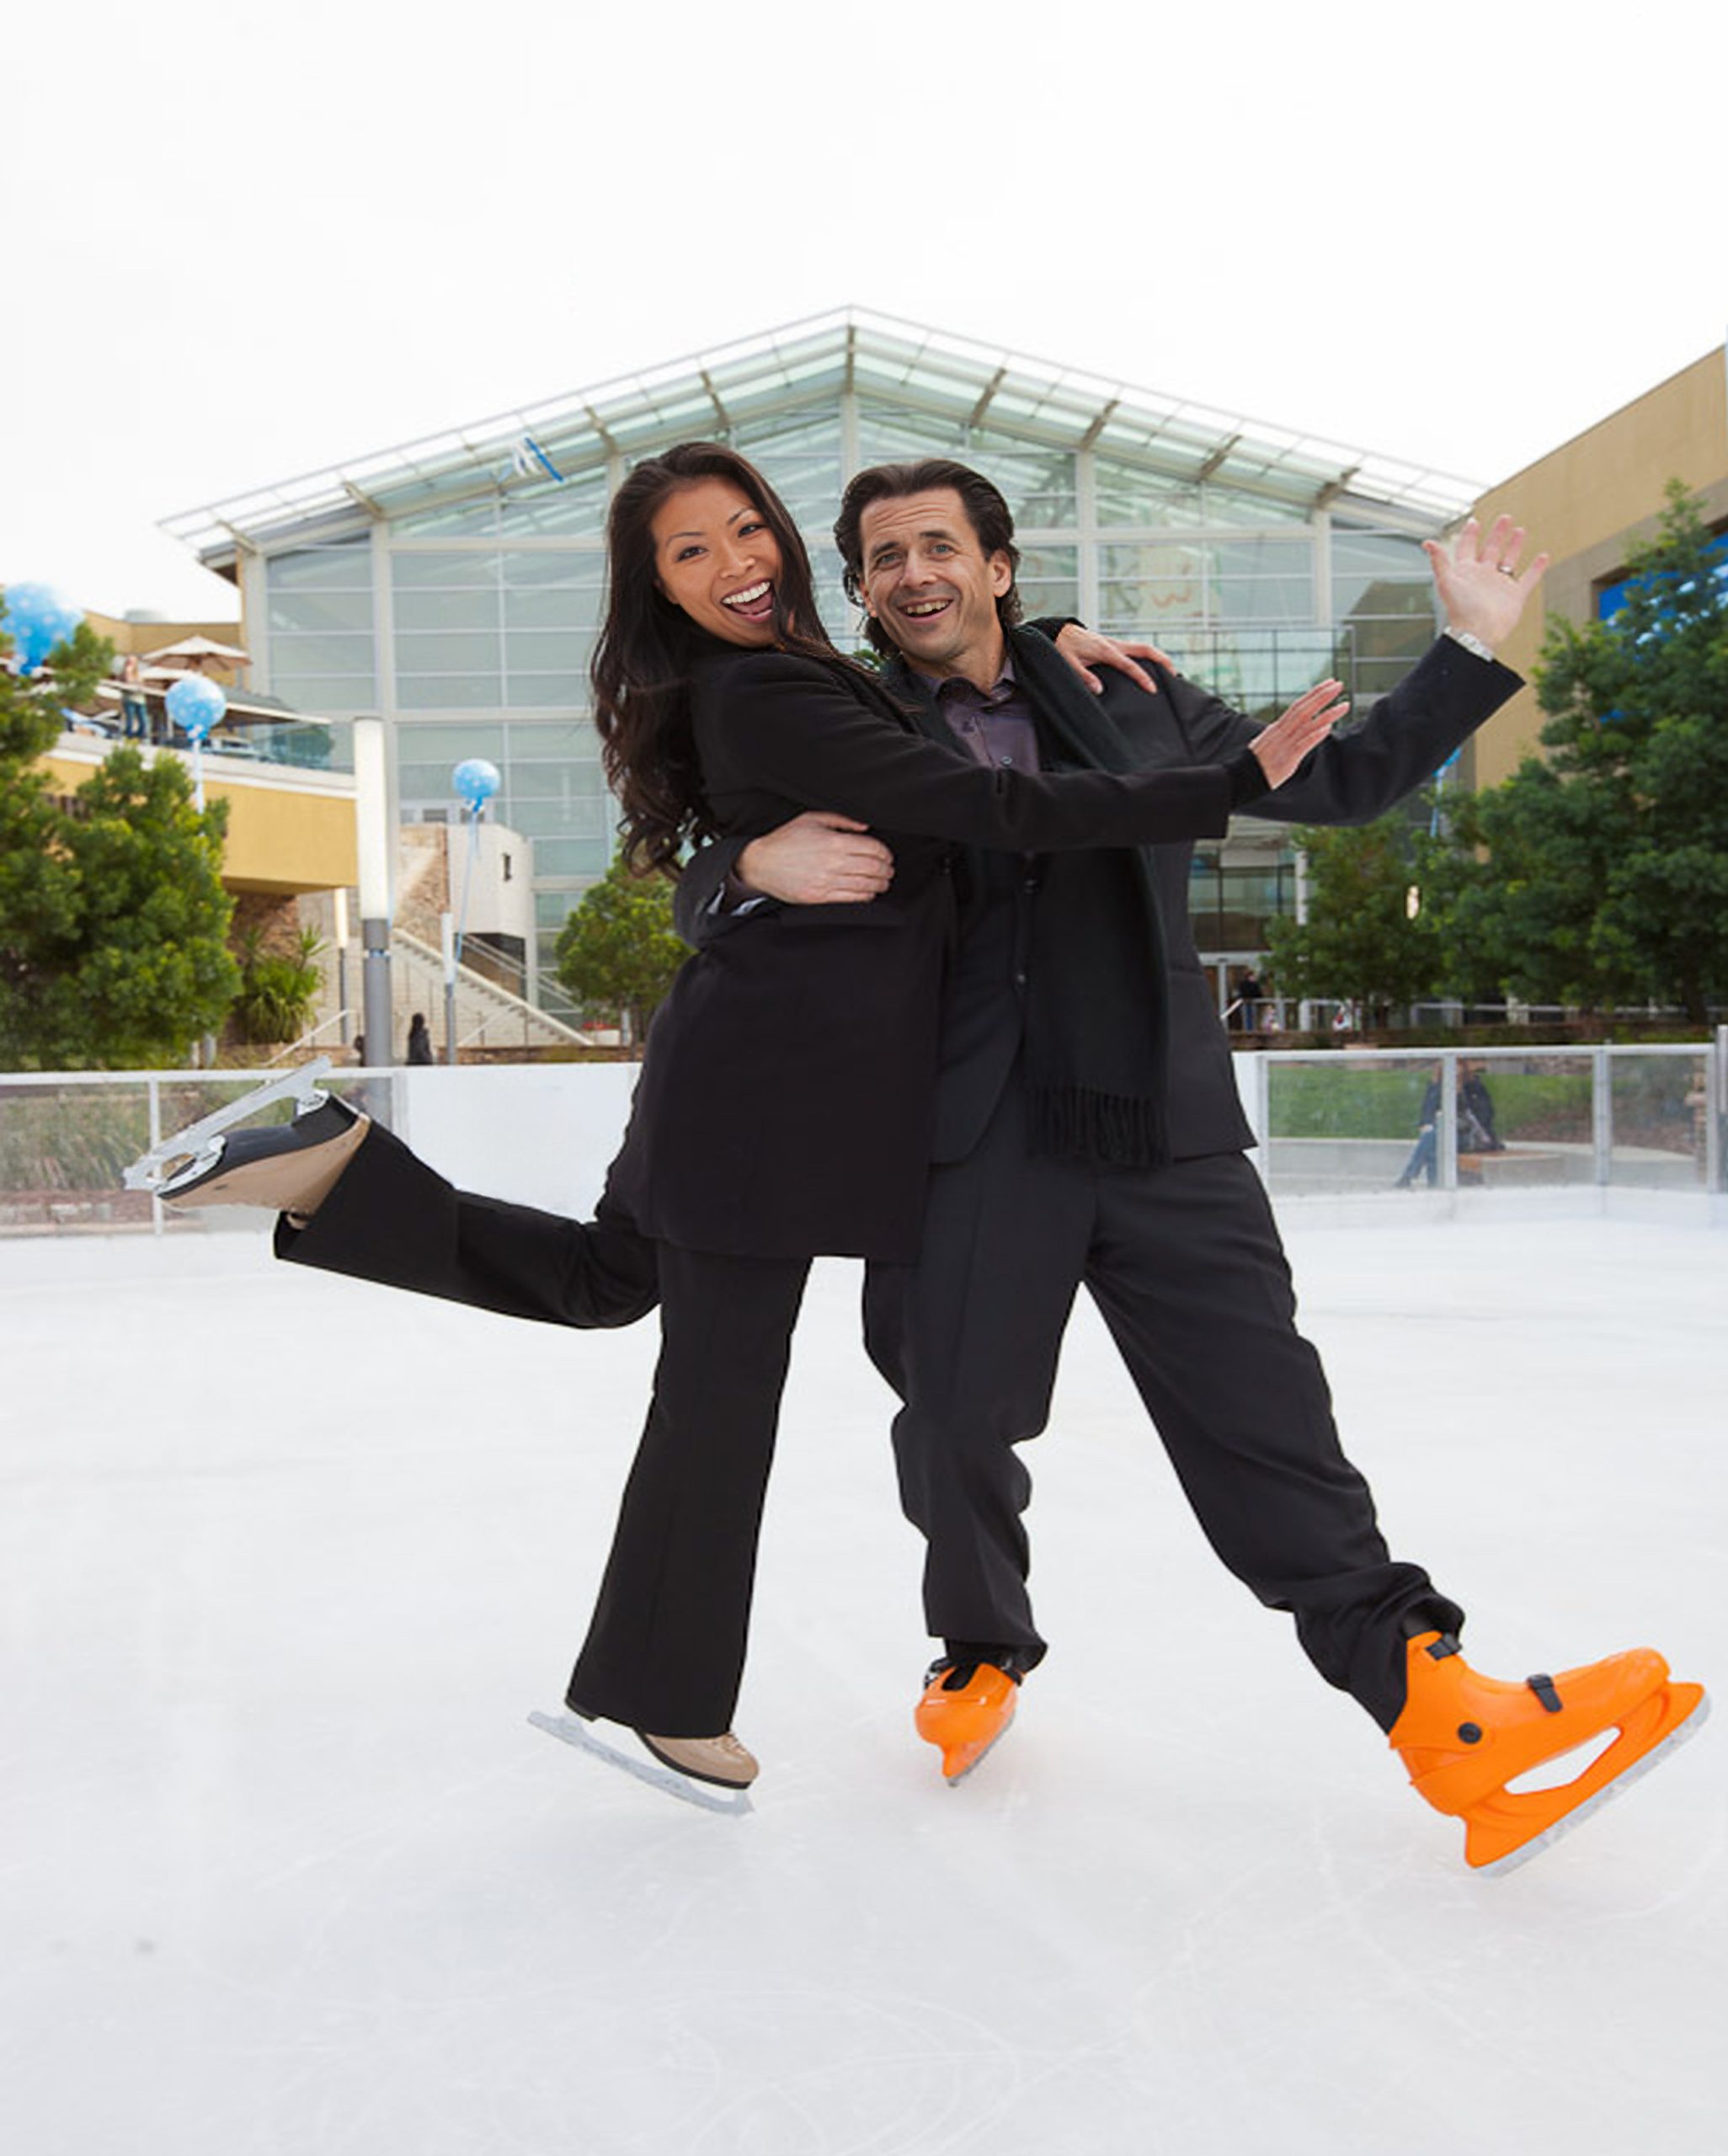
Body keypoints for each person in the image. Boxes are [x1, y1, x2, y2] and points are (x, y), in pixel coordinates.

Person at [137, 442, 1341, 1796]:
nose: (734, 564)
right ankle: (663, 1697)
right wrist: (1224, 784)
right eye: (689, 552)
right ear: (656, 588)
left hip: (753, 1072)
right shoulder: (760, 688)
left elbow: (946, 714)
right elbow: (984, 802)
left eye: (743, 531)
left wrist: (1049, 645)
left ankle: (330, 1171)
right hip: (771, 1090)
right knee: (719, 1394)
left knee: (609, 1283)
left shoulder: (806, 675)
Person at [672, 457, 1704, 1867]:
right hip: (962, 1139)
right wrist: (732, 871)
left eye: (936, 545)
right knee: (954, 1424)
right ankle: (978, 1642)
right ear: (856, 591)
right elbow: (700, 843)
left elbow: (1331, 779)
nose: (911, 572)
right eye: (880, 557)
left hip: (1161, 1123)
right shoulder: (840, 716)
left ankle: (1439, 1712)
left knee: (1270, 1426)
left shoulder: (1131, 696)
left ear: (997, 563)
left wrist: (1464, 646)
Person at [117, 654, 150, 741]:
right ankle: (129, 734)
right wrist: (128, 672)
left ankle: (139, 735)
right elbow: (127, 683)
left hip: (140, 700)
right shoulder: (123, 674)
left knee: (143, 721)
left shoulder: (139, 674)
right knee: (130, 719)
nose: (130, 664)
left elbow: (141, 685)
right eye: (129, 662)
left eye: (132, 662)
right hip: (129, 699)